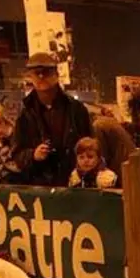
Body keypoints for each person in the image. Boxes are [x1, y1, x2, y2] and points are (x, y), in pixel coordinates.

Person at [12, 52, 92, 186]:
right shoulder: (24, 114)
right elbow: (17, 154)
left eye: (46, 72)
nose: (41, 76)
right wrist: (33, 155)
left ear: (56, 74)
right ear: (30, 77)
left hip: (74, 184)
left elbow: (90, 145)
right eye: (36, 73)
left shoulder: (76, 109)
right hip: (39, 187)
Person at [92, 116, 135, 186]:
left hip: (121, 169)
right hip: (131, 164)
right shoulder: (109, 121)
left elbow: (102, 157)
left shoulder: (97, 126)